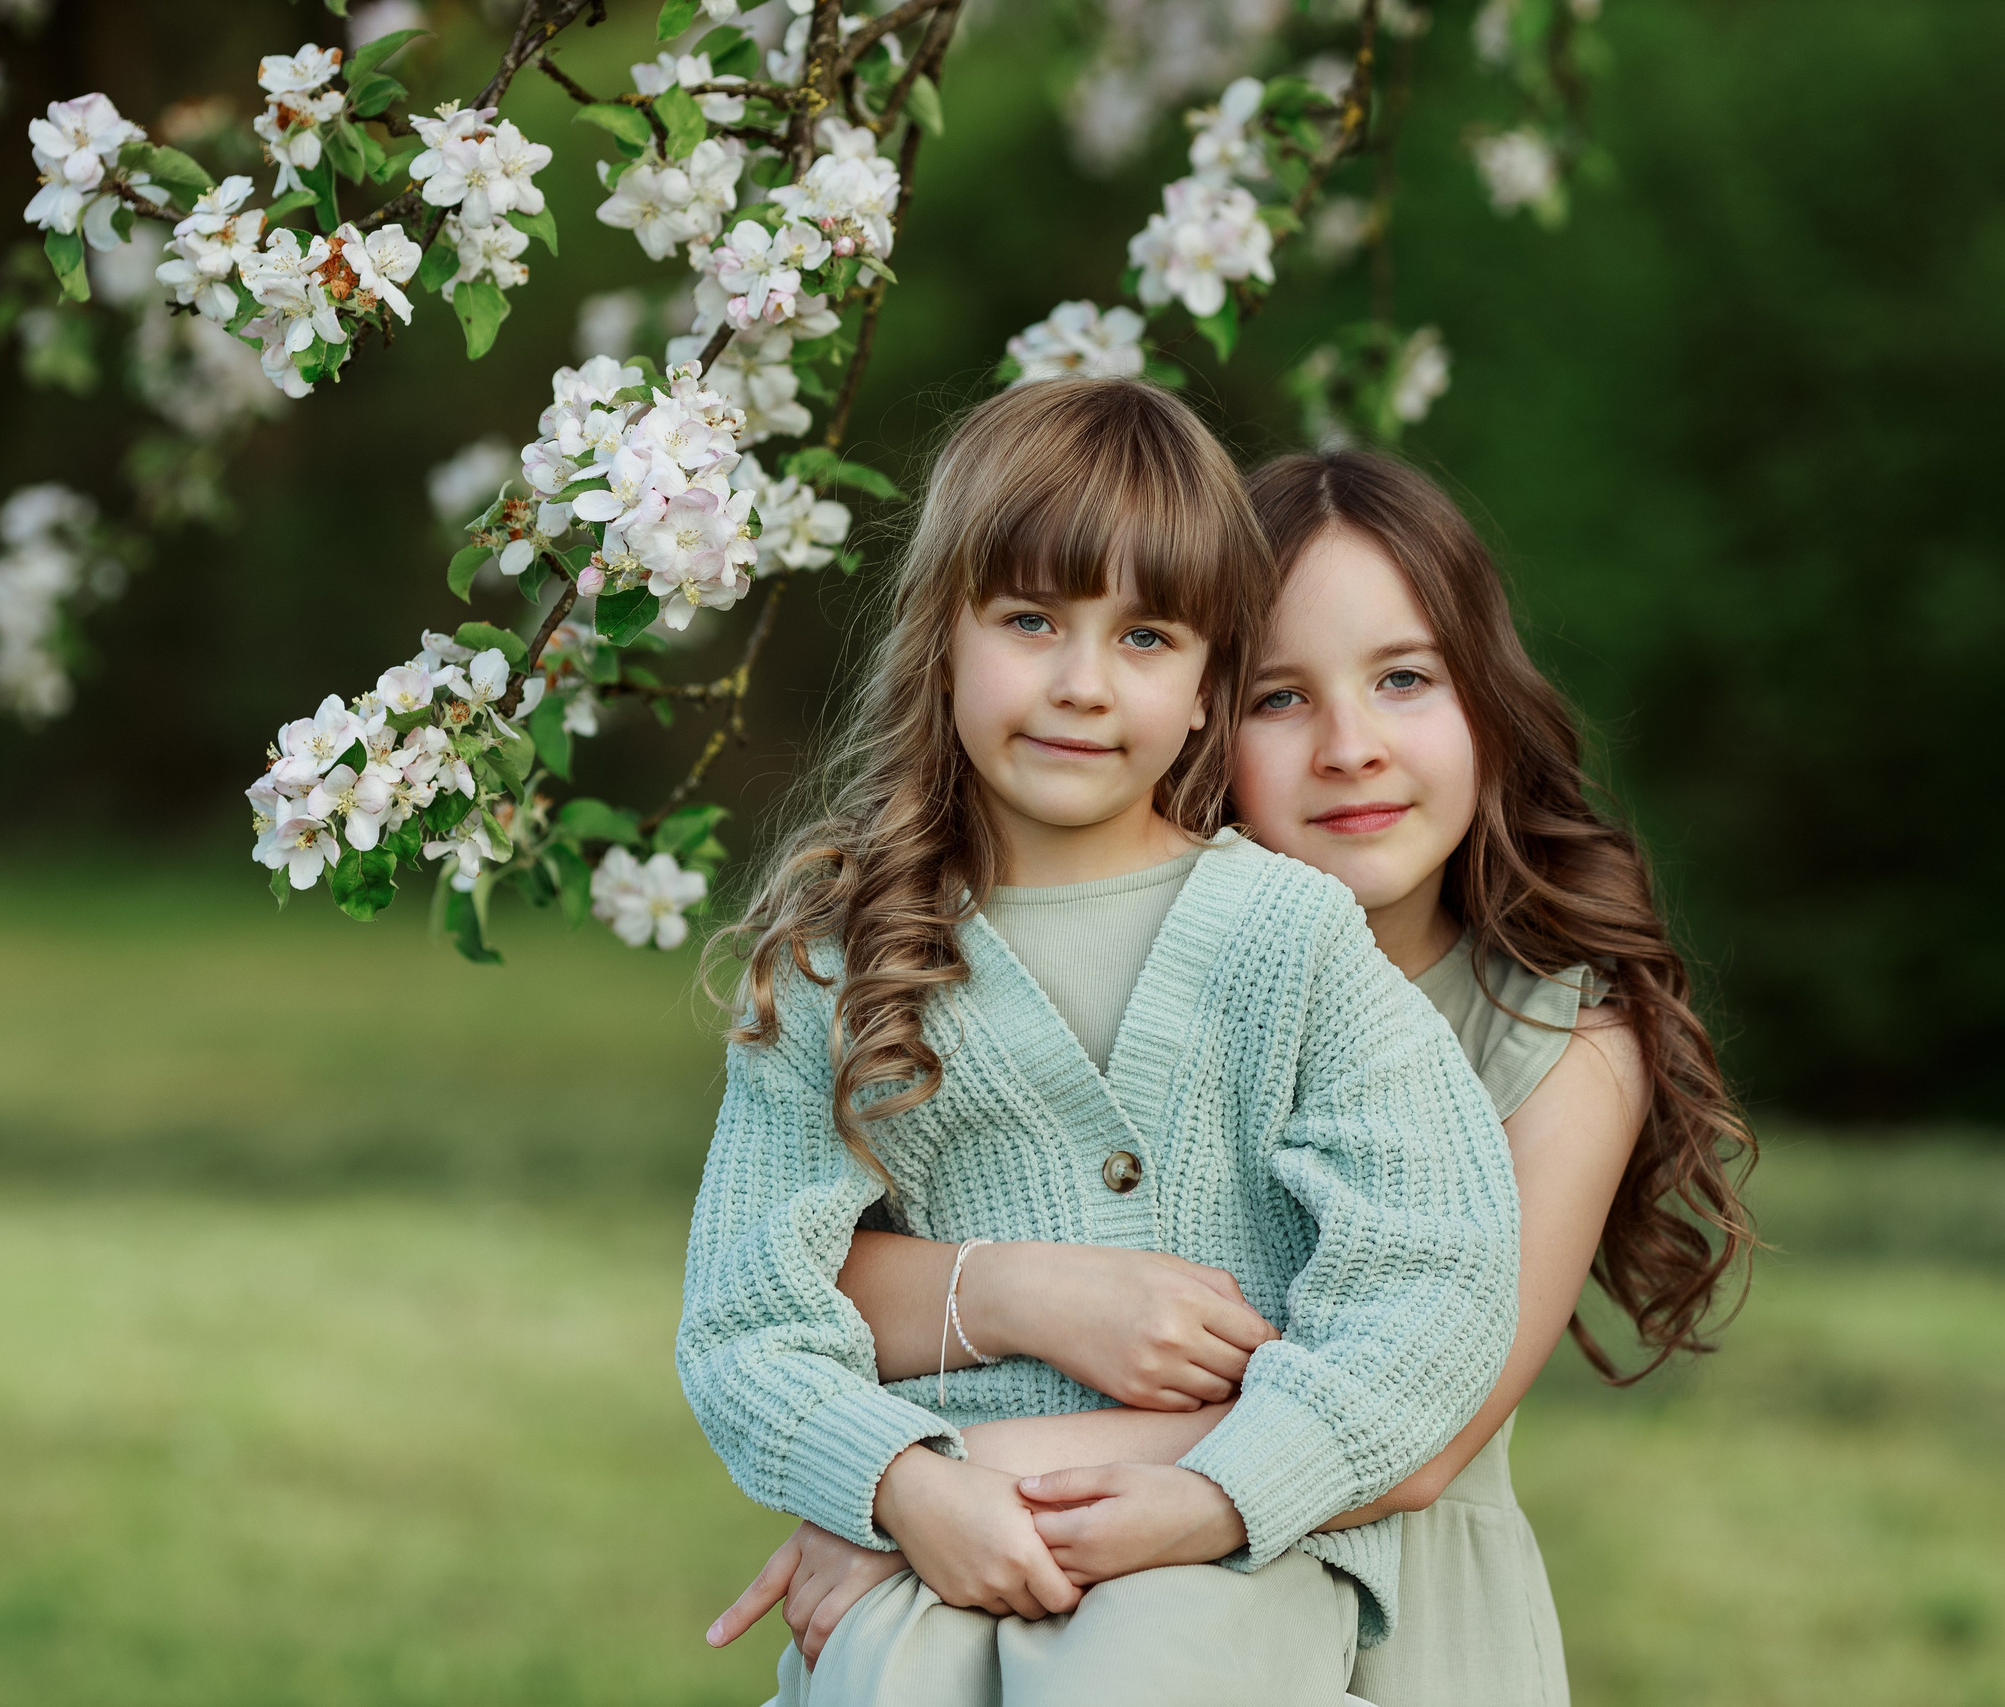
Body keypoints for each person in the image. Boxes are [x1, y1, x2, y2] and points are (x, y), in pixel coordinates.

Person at [712, 449, 1755, 1707]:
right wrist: (1022, 1306)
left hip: (1396, 1623)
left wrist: (933, 1474)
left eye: (1405, 679)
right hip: (1023, 1609)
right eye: (1279, 697)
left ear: (1487, 700)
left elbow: (1427, 1420)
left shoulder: (1564, 1045)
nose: (1351, 748)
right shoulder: (952, 962)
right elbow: (783, 1285)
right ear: (1203, 708)